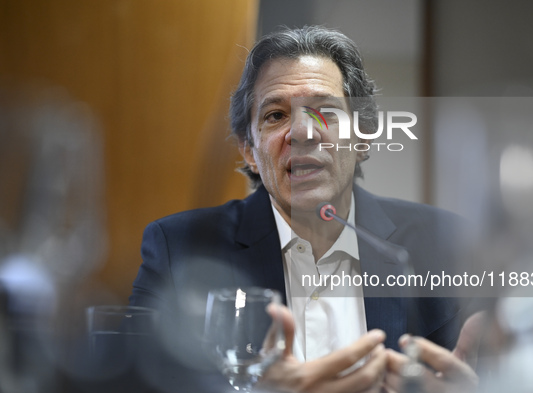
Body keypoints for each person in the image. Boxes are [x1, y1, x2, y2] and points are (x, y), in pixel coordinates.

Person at [130, 26, 480, 393]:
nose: (302, 132)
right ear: (249, 150)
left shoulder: (445, 243)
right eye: (275, 115)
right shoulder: (179, 248)